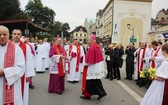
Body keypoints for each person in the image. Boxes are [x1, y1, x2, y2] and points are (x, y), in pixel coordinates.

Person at [0, 25, 25, 105]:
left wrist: (4, 72)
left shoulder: (16, 49)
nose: (2, 37)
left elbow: (21, 67)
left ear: (8, 35)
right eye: (0, 34)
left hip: (10, 84)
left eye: (4, 34)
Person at [12, 29, 35, 105]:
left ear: (21, 36)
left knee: (22, 92)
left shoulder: (26, 47)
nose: (16, 35)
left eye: (18, 34)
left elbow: (29, 61)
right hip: (10, 73)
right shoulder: (7, 45)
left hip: (22, 73)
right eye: (14, 34)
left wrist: (29, 74)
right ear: (12, 35)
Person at [80, 35, 107, 100]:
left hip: (91, 68)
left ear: (92, 41)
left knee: (89, 82)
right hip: (96, 68)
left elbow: (89, 60)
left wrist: (83, 61)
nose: (88, 41)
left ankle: (87, 95)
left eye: (88, 40)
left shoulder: (91, 48)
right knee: (96, 82)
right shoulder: (97, 47)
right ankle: (101, 93)